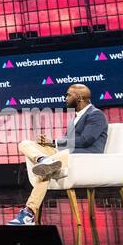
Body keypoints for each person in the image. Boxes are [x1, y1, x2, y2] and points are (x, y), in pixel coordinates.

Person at [8, 83, 108, 225]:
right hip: (66, 153)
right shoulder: (75, 118)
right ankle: (43, 159)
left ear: (79, 97)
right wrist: (48, 144)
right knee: (24, 144)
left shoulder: (96, 114)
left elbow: (86, 140)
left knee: (46, 169)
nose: (65, 98)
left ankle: (29, 212)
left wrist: (53, 142)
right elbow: (68, 142)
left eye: (68, 95)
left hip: (84, 156)